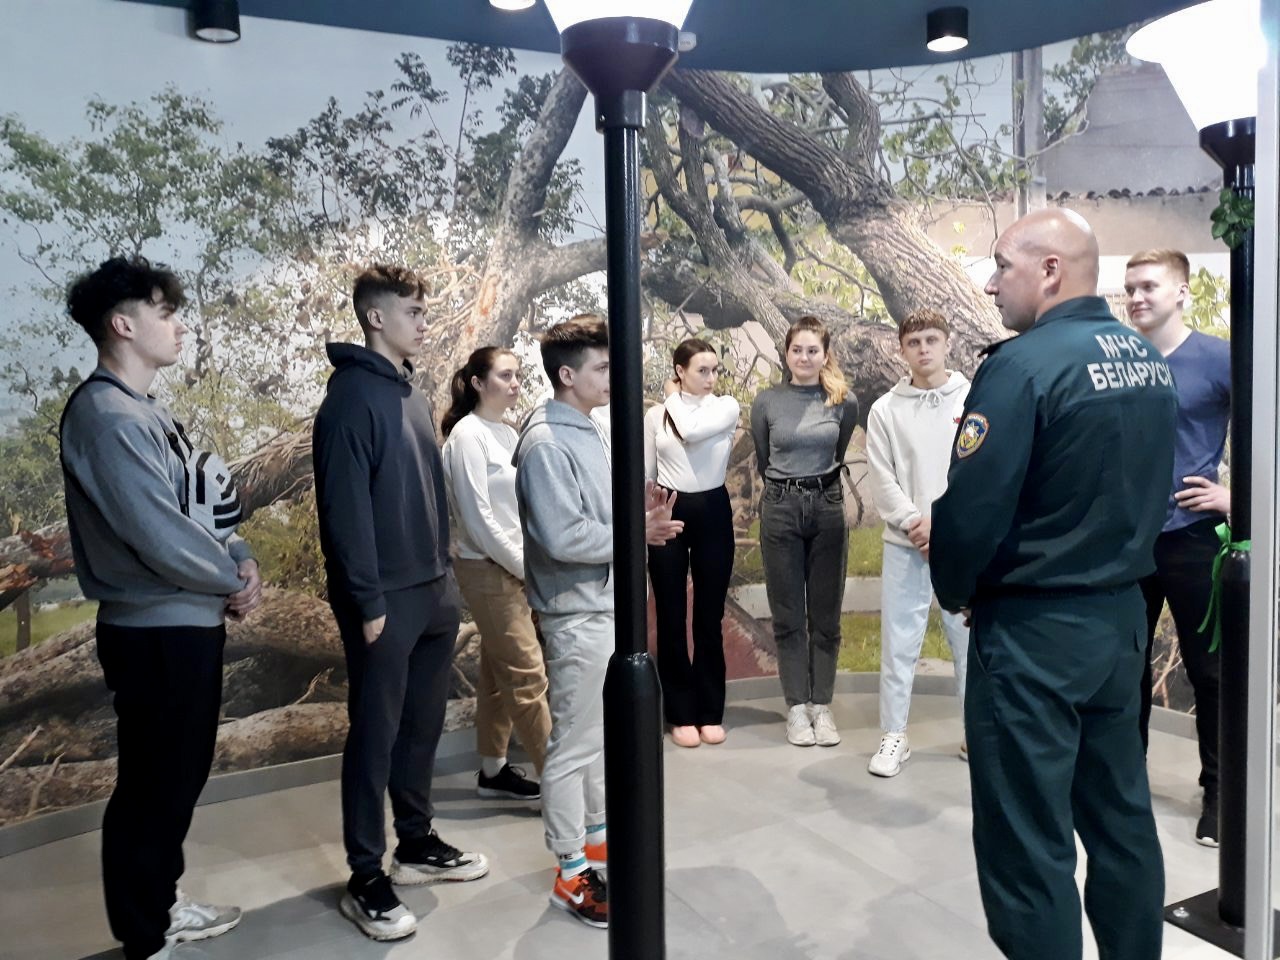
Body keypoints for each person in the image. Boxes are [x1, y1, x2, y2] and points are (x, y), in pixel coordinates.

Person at [931, 209, 1176, 960]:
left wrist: (956, 588)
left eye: (1001, 265)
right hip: (1119, 621)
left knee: (1028, 841)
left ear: (1049, 271)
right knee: (1121, 819)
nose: (989, 283)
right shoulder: (1144, 358)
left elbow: (971, 510)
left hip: (1035, 632)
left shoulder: (1023, 367)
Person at [60, 256, 262, 960]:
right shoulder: (106, 416)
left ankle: (162, 903)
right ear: (123, 324)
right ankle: (145, 938)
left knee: (177, 780)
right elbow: (159, 535)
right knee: (153, 787)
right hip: (154, 635)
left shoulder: (149, 412)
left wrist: (243, 558)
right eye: (164, 312)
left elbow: (205, 510)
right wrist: (229, 579)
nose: (178, 326)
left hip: (187, 626)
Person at [313, 264, 489, 943]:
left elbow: (425, 493)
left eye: (423, 310)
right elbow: (345, 513)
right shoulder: (349, 401)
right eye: (412, 311)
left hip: (432, 590)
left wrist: (444, 577)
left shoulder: (410, 394)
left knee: (421, 729)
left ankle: (414, 843)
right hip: (384, 601)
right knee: (375, 736)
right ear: (375, 318)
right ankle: (365, 877)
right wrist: (366, 600)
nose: (423, 322)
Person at [514, 315, 681, 929]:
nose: (613, 377)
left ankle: (595, 844)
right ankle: (569, 871)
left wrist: (640, 513)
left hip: (602, 604)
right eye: (603, 367)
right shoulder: (546, 442)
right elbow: (562, 537)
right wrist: (638, 532)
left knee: (596, 740)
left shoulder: (585, 427)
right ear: (567, 374)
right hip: (577, 612)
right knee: (572, 746)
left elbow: (595, 517)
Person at [1125, 248, 1229, 847]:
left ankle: (1220, 793)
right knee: (1123, 666)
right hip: (1127, 540)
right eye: (1130, 289)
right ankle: (1124, 779)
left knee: (1209, 672)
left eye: (1148, 286)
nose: (1136, 298)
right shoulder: (1120, 359)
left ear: (1182, 292)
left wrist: (1237, 499)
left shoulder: (1218, 358)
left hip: (1191, 538)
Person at [864, 309, 970, 777]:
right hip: (905, 543)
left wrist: (945, 524)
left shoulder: (973, 399)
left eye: (931, 340)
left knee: (970, 642)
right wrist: (915, 523)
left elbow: (979, 468)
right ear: (901, 349)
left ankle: (975, 731)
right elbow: (882, 478)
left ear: (948, 343)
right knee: (899, 643)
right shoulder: (885, 410)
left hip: (961, 542)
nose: (923, 349)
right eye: (914, 342)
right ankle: (894, 735)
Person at [441, 346, 550, 800]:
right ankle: (563, 786)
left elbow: (521, 508)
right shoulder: (467, 436)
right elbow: (478, 522)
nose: (515, 383)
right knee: (527, 675)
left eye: (517, 375)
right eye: (505, 375)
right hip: (487, 569)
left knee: (497, 670)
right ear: (478, 383)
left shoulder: (507, 433)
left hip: (516, 566)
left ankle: (492, 770)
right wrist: (525, 568)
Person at [750, 315, 858, 748]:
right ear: (787, 353)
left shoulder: (843, 402)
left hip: (827, 506)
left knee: (826, 616)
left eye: (813, 350)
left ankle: (821, 706)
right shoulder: (767, 402)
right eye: (797, 350)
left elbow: (839, 449)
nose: (805, 357)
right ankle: (797, 707)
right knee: (789, 614)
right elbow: (764, 458)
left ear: (825, 355)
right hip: (780, 507)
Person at [644, 338, 740, 748]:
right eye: (702, 370)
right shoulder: (655, 415)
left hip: (713, 511)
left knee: (708, 617)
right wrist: (649, 513)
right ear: (680, 371)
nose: (711, 377)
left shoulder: (725, 407)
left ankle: (710, 710)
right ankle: (680, 712)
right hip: (668, 509)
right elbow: (647, 471)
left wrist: (671, 396)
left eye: (715, 369)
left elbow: (690, 430)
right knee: (670, 615)